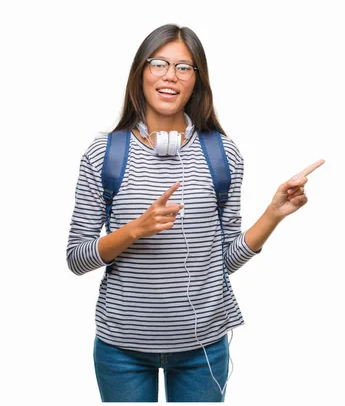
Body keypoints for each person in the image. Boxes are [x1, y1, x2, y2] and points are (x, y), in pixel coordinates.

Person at [66, 23, 324, 402]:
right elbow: (76, 259)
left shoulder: (223, 154)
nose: (170, 76)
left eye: (184, 67)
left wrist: (273, 213)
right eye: (159, 64)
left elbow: (223, 259)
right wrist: (135, 230)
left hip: (203, 349)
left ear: (195, 81)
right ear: (141, 72)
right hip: (121, 348)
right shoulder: (103, 154)